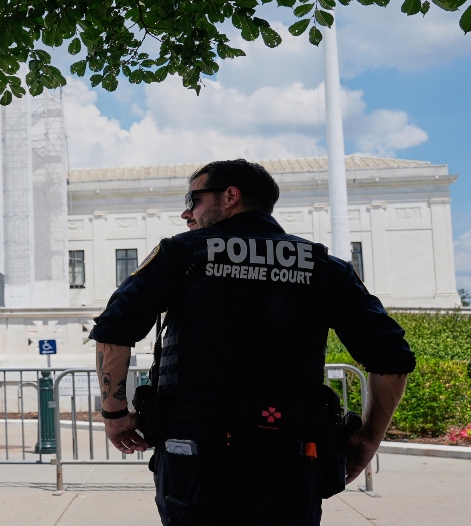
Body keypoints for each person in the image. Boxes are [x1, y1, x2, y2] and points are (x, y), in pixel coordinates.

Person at [88, 159, 415, 525]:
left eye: (193, 198)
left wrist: (115, 416)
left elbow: (113, 331)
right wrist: (368, 440)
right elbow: (392, 359)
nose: (186, 212)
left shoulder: (182, 253)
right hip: (291, 458)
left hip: (196, 456)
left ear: (230, 196)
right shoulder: (324, 267)